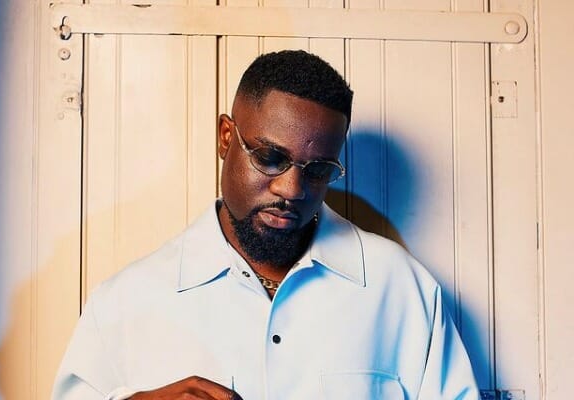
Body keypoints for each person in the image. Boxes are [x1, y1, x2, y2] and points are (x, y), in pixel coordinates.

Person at [52, 50, 479, 400]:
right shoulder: (125, 302)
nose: (291, 189)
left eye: (318, 170)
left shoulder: (402, 289)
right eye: (270, 158)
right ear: (226, 136)